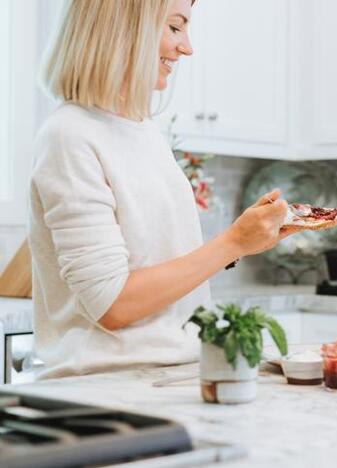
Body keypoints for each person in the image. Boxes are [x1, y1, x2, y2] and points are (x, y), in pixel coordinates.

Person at [29, 0, 293, 379]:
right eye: (174, 27)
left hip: (173, 376)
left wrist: (247, 238)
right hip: (108, 389)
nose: (186, 47)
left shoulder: (145, 130)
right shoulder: (69, 135)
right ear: (123, 29)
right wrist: (233, 242)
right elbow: (113, 304)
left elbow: (158, 261)